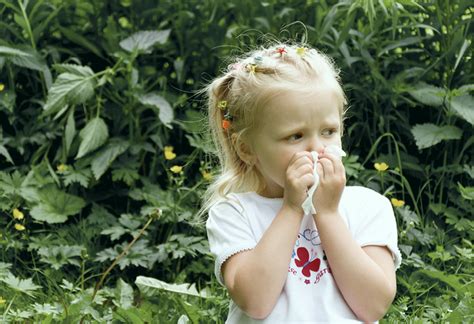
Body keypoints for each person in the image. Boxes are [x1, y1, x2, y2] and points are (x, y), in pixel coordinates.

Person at [202, 42, 401, 323]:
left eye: (329, 131)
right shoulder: (234, 213)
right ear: (246, 148)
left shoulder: (367, 207)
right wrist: (292, 209)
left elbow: (373, 306)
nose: (317, 148)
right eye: (295, 136)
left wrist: (328, 213)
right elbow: (255, 302)